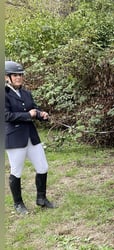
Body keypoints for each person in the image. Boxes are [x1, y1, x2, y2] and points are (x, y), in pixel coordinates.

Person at [5, 60, 56, 214]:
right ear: (7, 77)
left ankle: (41, 198)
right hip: (14, 138)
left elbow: (33, 108)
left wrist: (41, 114)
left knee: (43, 167)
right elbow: (6, 115)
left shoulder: (26, 93)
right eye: (15, 75)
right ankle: (18, 204)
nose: (19, 77)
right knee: (17, 171)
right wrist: (28, 115)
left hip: (31, 136)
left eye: (20, 75)